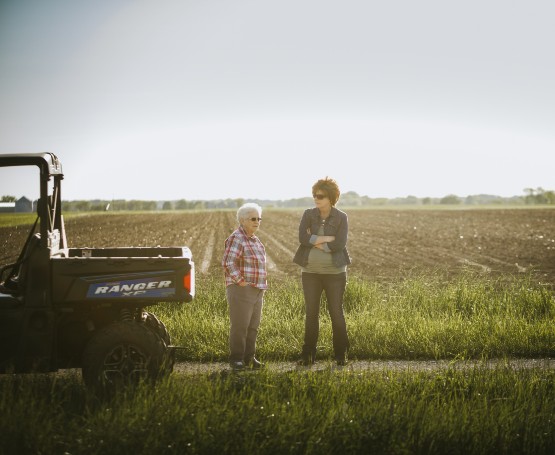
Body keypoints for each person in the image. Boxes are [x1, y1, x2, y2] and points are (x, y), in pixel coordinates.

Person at [293, 177, 351, 366]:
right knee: (311, 313)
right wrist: (326, 239)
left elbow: (339, 244)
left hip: (335, 273)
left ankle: (341, 355)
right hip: (310, 272)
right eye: (314, 195)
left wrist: (316, 242)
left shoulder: (341, 217)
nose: (316, 199)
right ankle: (308, 356)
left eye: (321, 196)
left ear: (331, 198)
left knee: (336, 312)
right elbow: (302, 237)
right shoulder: (308, 214)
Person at [222, 202, 268, 371]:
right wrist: (240, 281)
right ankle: (236, 360)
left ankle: (249, 358)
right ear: (242, 220)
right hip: (242, 289)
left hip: (257, 289)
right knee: (240, 326)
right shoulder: (237, 238)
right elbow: (228, 262)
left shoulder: (255, 240)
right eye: (253, 218)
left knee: (252, 327)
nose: (257, 221)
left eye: (259, 218)